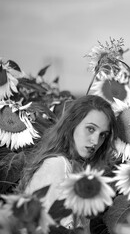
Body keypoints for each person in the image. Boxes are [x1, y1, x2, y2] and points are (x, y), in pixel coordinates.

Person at [17, 95, 118, 228]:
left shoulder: (65, 164)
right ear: (72, 124)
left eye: (103, 135)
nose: (95, 141)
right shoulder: (59, 166)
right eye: (91, 129)